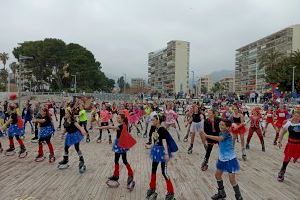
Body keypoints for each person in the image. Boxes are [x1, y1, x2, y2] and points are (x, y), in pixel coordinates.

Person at [203, 119, 243, 200]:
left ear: (227, 127)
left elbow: (219, 139)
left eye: (222, 125)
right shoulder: (222, 132)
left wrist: (207, 136)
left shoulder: (227, 134)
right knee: (217, 175)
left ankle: (238, 197)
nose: (220, 126)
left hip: (230, 160)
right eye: (220, 124)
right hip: (222, 159)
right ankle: (221, 193)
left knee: (232, 180)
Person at [98, 113, 136, 190]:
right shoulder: (125, 124)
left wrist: (101, 127)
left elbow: (110, 127)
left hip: (120, 144)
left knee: (122, 160)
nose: (117, 119)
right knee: (119, 160)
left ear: (122, 119)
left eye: (118, 118)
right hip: (121, 143)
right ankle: (117, 175)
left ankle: (127, 174)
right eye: (117, 118)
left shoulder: (120, 126)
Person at [146, 115, 178, 200]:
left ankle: (170, 192)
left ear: (158, 120)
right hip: (156, 151)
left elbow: (164, 141)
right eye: (152, 120)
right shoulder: (154, 128)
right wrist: (150, 146)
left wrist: (166, 154)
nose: (152, 121)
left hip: (163, 152)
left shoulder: (162, 129)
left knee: (164, 172)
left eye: (153, 120)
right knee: (153, 170)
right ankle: (152, 188)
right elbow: (156, 141)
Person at [277, 106, 300, 182]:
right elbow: (282, 132)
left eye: (298, 116)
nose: (296, 117)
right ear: (293, 115)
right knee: (286, 159)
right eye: (295, 116)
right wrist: (279, 141)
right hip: (290, 144)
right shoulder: (289, 123)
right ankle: (282, 172)